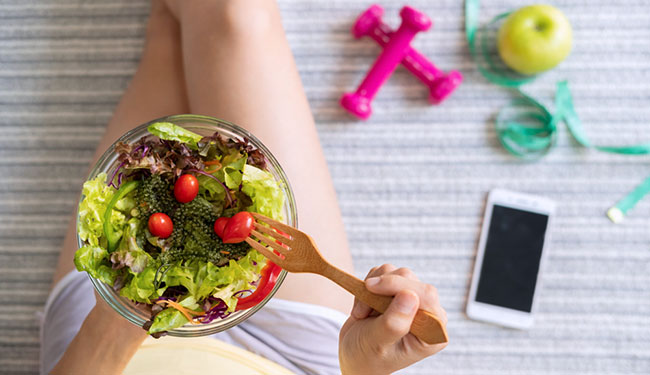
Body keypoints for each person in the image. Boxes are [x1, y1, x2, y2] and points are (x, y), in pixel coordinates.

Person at [41, 1, 448, 374]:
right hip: (290, 353)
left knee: (169, 36)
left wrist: (119, 320)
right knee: (233, 14)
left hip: (106, 337)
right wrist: (359, 367)